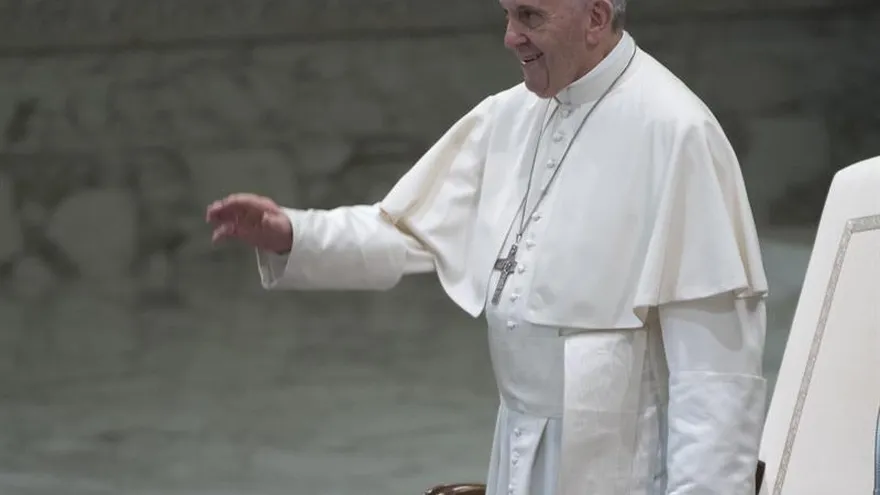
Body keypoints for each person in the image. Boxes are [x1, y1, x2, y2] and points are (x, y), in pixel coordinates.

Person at [206, 0, 769, 493]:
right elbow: (407, 232)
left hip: (619, 462)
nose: (510, 37)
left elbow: (715, 373)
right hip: (519, 446)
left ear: (595, 17)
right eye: (506, 14)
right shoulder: (510, 115)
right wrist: (295, 233)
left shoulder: (676, 131)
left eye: (530, 16)